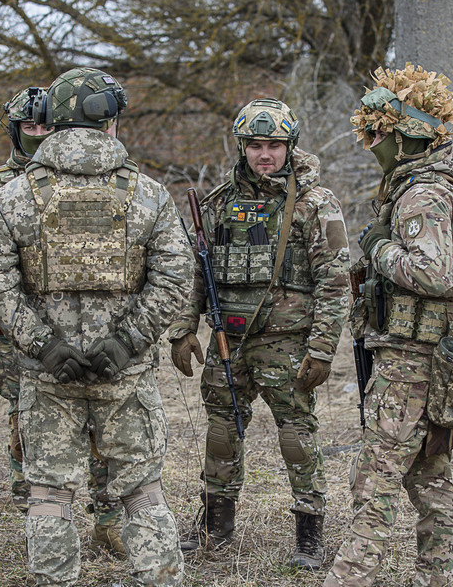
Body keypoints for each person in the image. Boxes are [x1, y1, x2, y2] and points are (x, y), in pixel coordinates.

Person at [0, 67, 191, 586]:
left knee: (49, 496)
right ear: (109, 123)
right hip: (126, 373)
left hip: (50, 376)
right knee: (142, 491)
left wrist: (43, 346)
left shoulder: (16, 194)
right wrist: (127, 340)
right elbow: (175, 277)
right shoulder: (148, 194)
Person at [169, 98, 350, 569]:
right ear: (242, 147)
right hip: (229, 339)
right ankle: (215, 529)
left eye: (273, 145)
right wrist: (183, 328)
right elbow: (196, 271)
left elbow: (334, 281)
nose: (264, 154)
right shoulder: (219, 202)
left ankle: (309, 537)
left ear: (290, 146)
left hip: (286, 342)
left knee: (296, 434)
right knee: (222, 431)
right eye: (254, 145)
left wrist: (323, 347)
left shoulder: (313, 203)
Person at [322, 64, 453, 587]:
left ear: (407, 135)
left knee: (376, 481)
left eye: (379, 133)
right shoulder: (441, 189)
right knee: (429, 476)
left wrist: (378, 246)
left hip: (413, 362)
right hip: (432, 358)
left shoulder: (422, 195)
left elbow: (430, 274)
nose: (371, 145)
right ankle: (439, 576)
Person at [0, 86, 126, 555]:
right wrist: (9, 264)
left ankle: (108, 518)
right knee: (27, 423)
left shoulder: (81, 175)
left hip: (81, 323)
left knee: (101, 422)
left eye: (45, 127)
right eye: (29, 128)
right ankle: (43, 519)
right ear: (15, 132)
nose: (38, 135)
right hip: (18, 330)